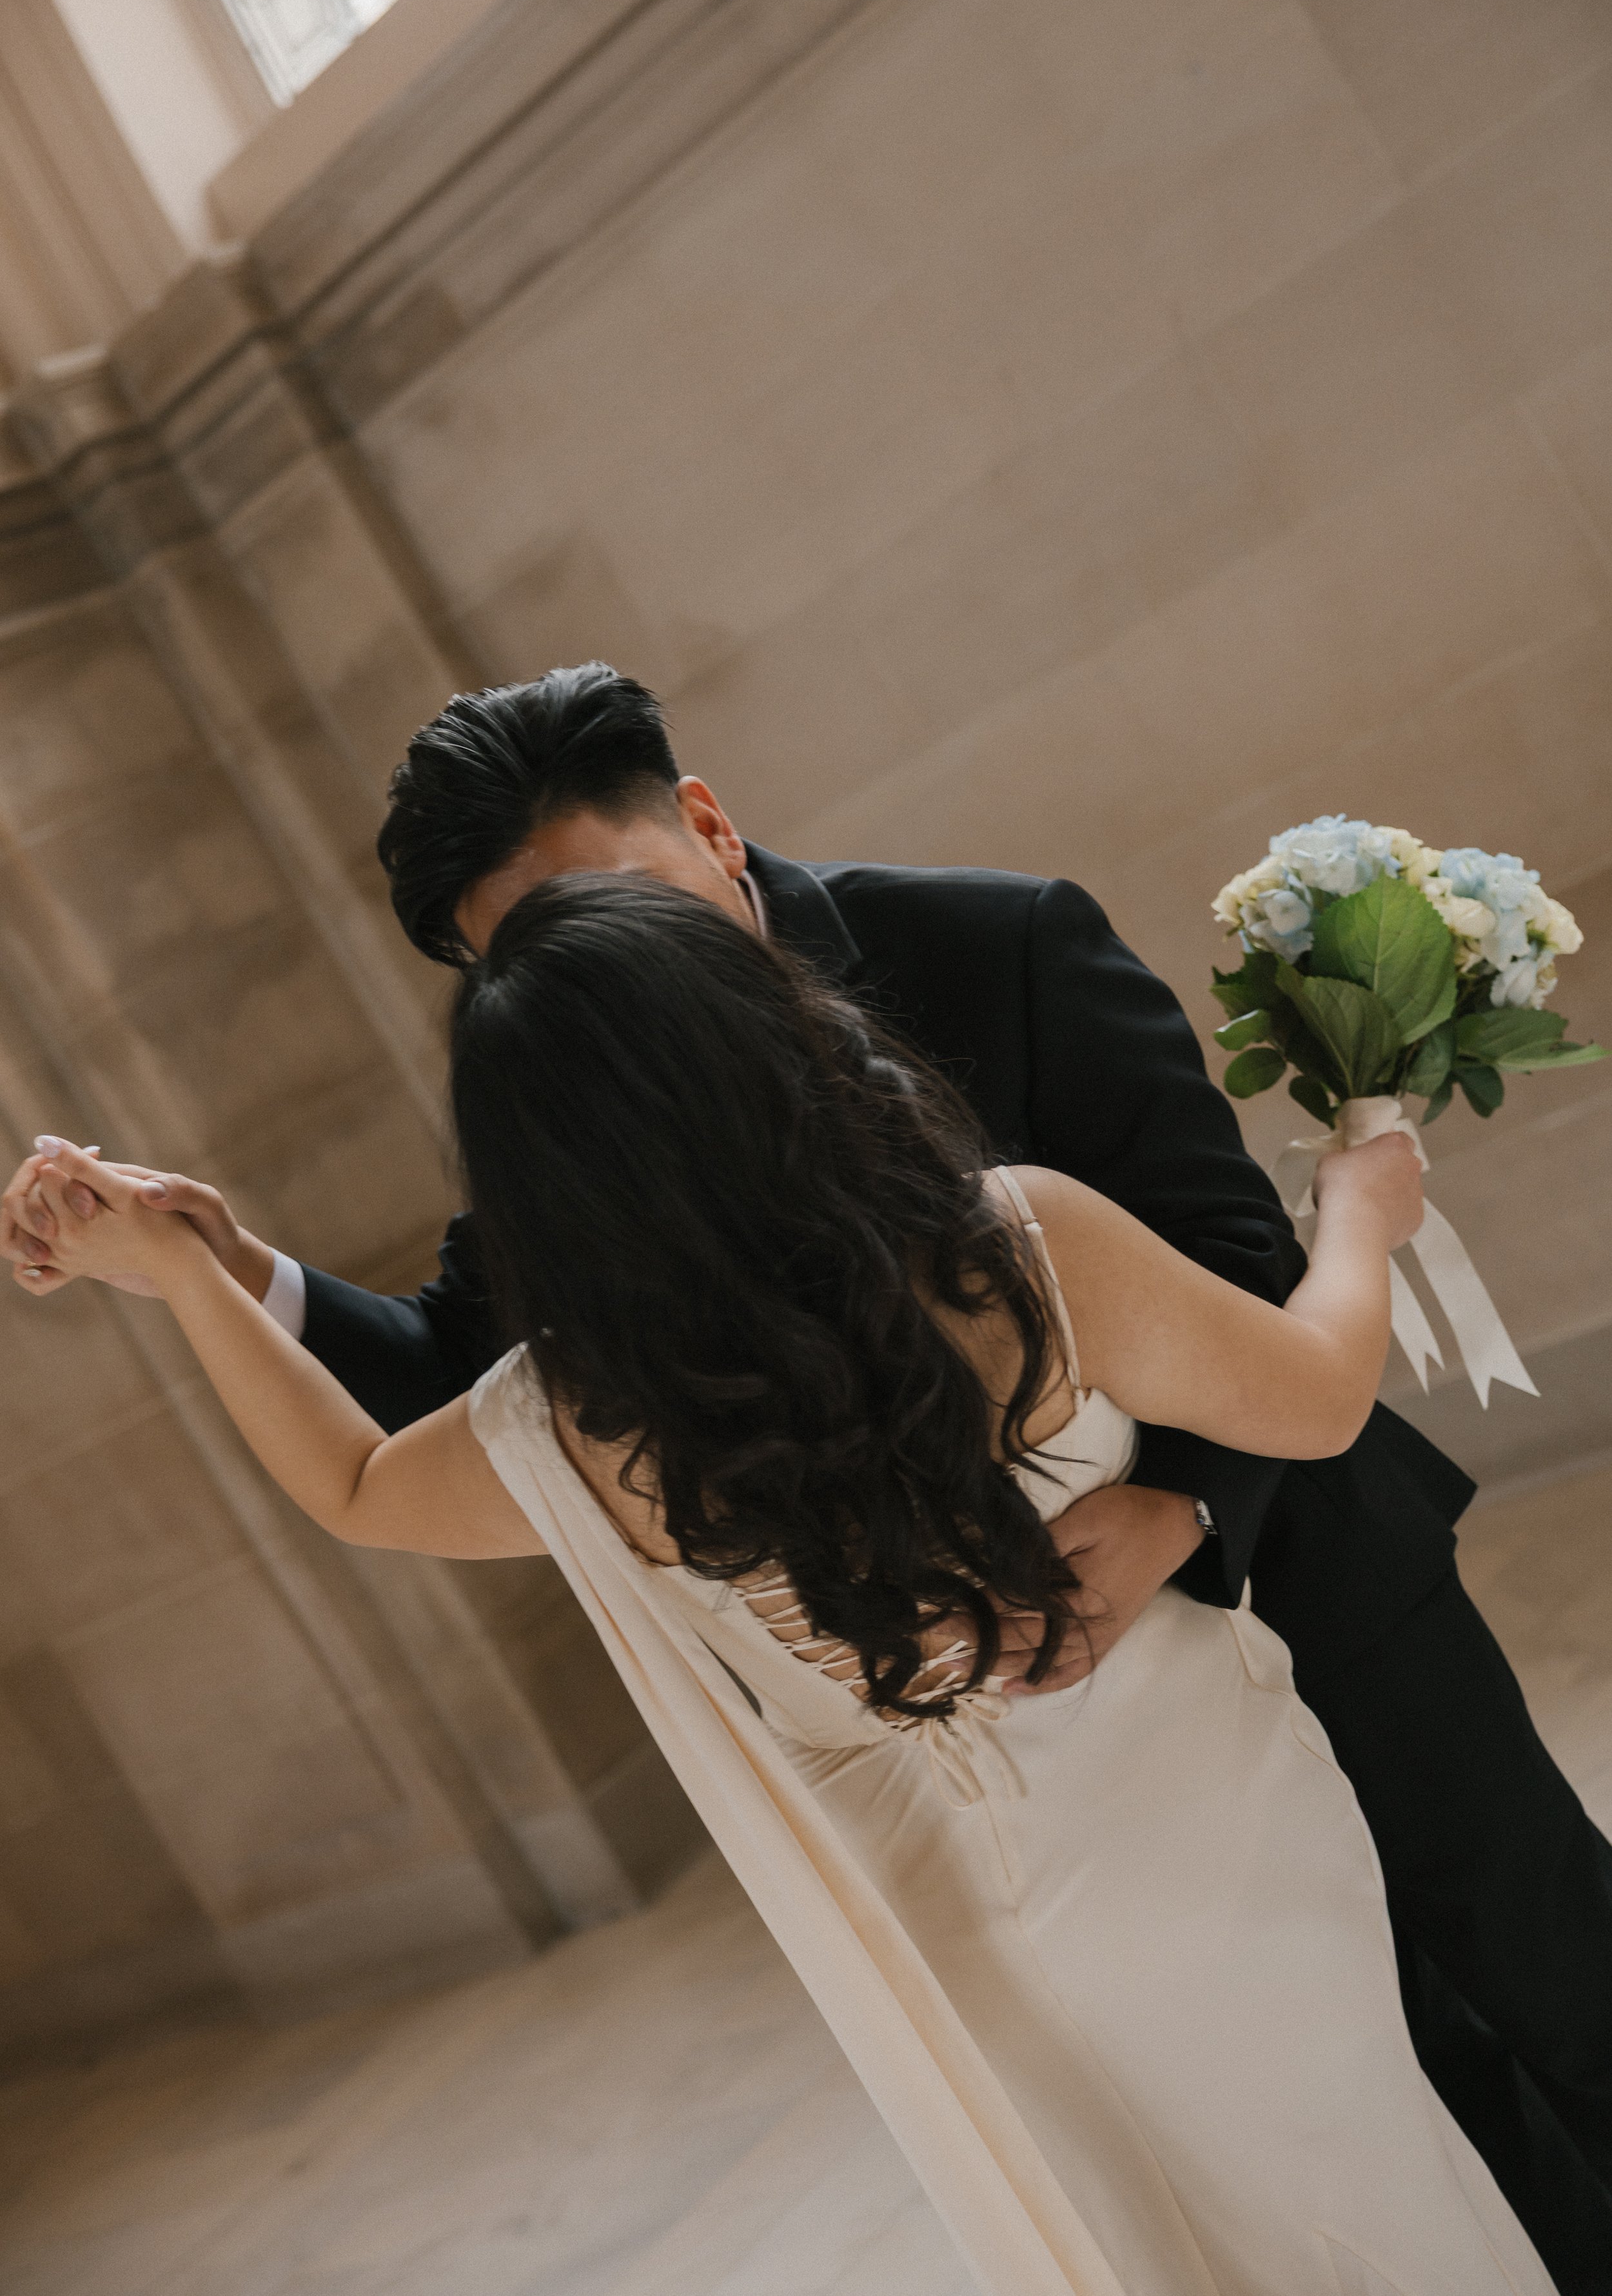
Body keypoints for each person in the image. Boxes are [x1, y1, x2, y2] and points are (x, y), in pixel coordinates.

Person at [6, 668, 1611, 2282]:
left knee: (1548, 1975)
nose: (589, 973)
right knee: (1380, 2122)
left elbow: (1227, 1248)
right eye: (522, 958)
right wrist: (241, 1270)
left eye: (603, 912)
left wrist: (1180, 1503)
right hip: (1086, 1801)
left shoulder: (998, 941)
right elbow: (470, 1379)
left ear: (707, 827)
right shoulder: (596, 1106)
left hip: (1311, 1581)